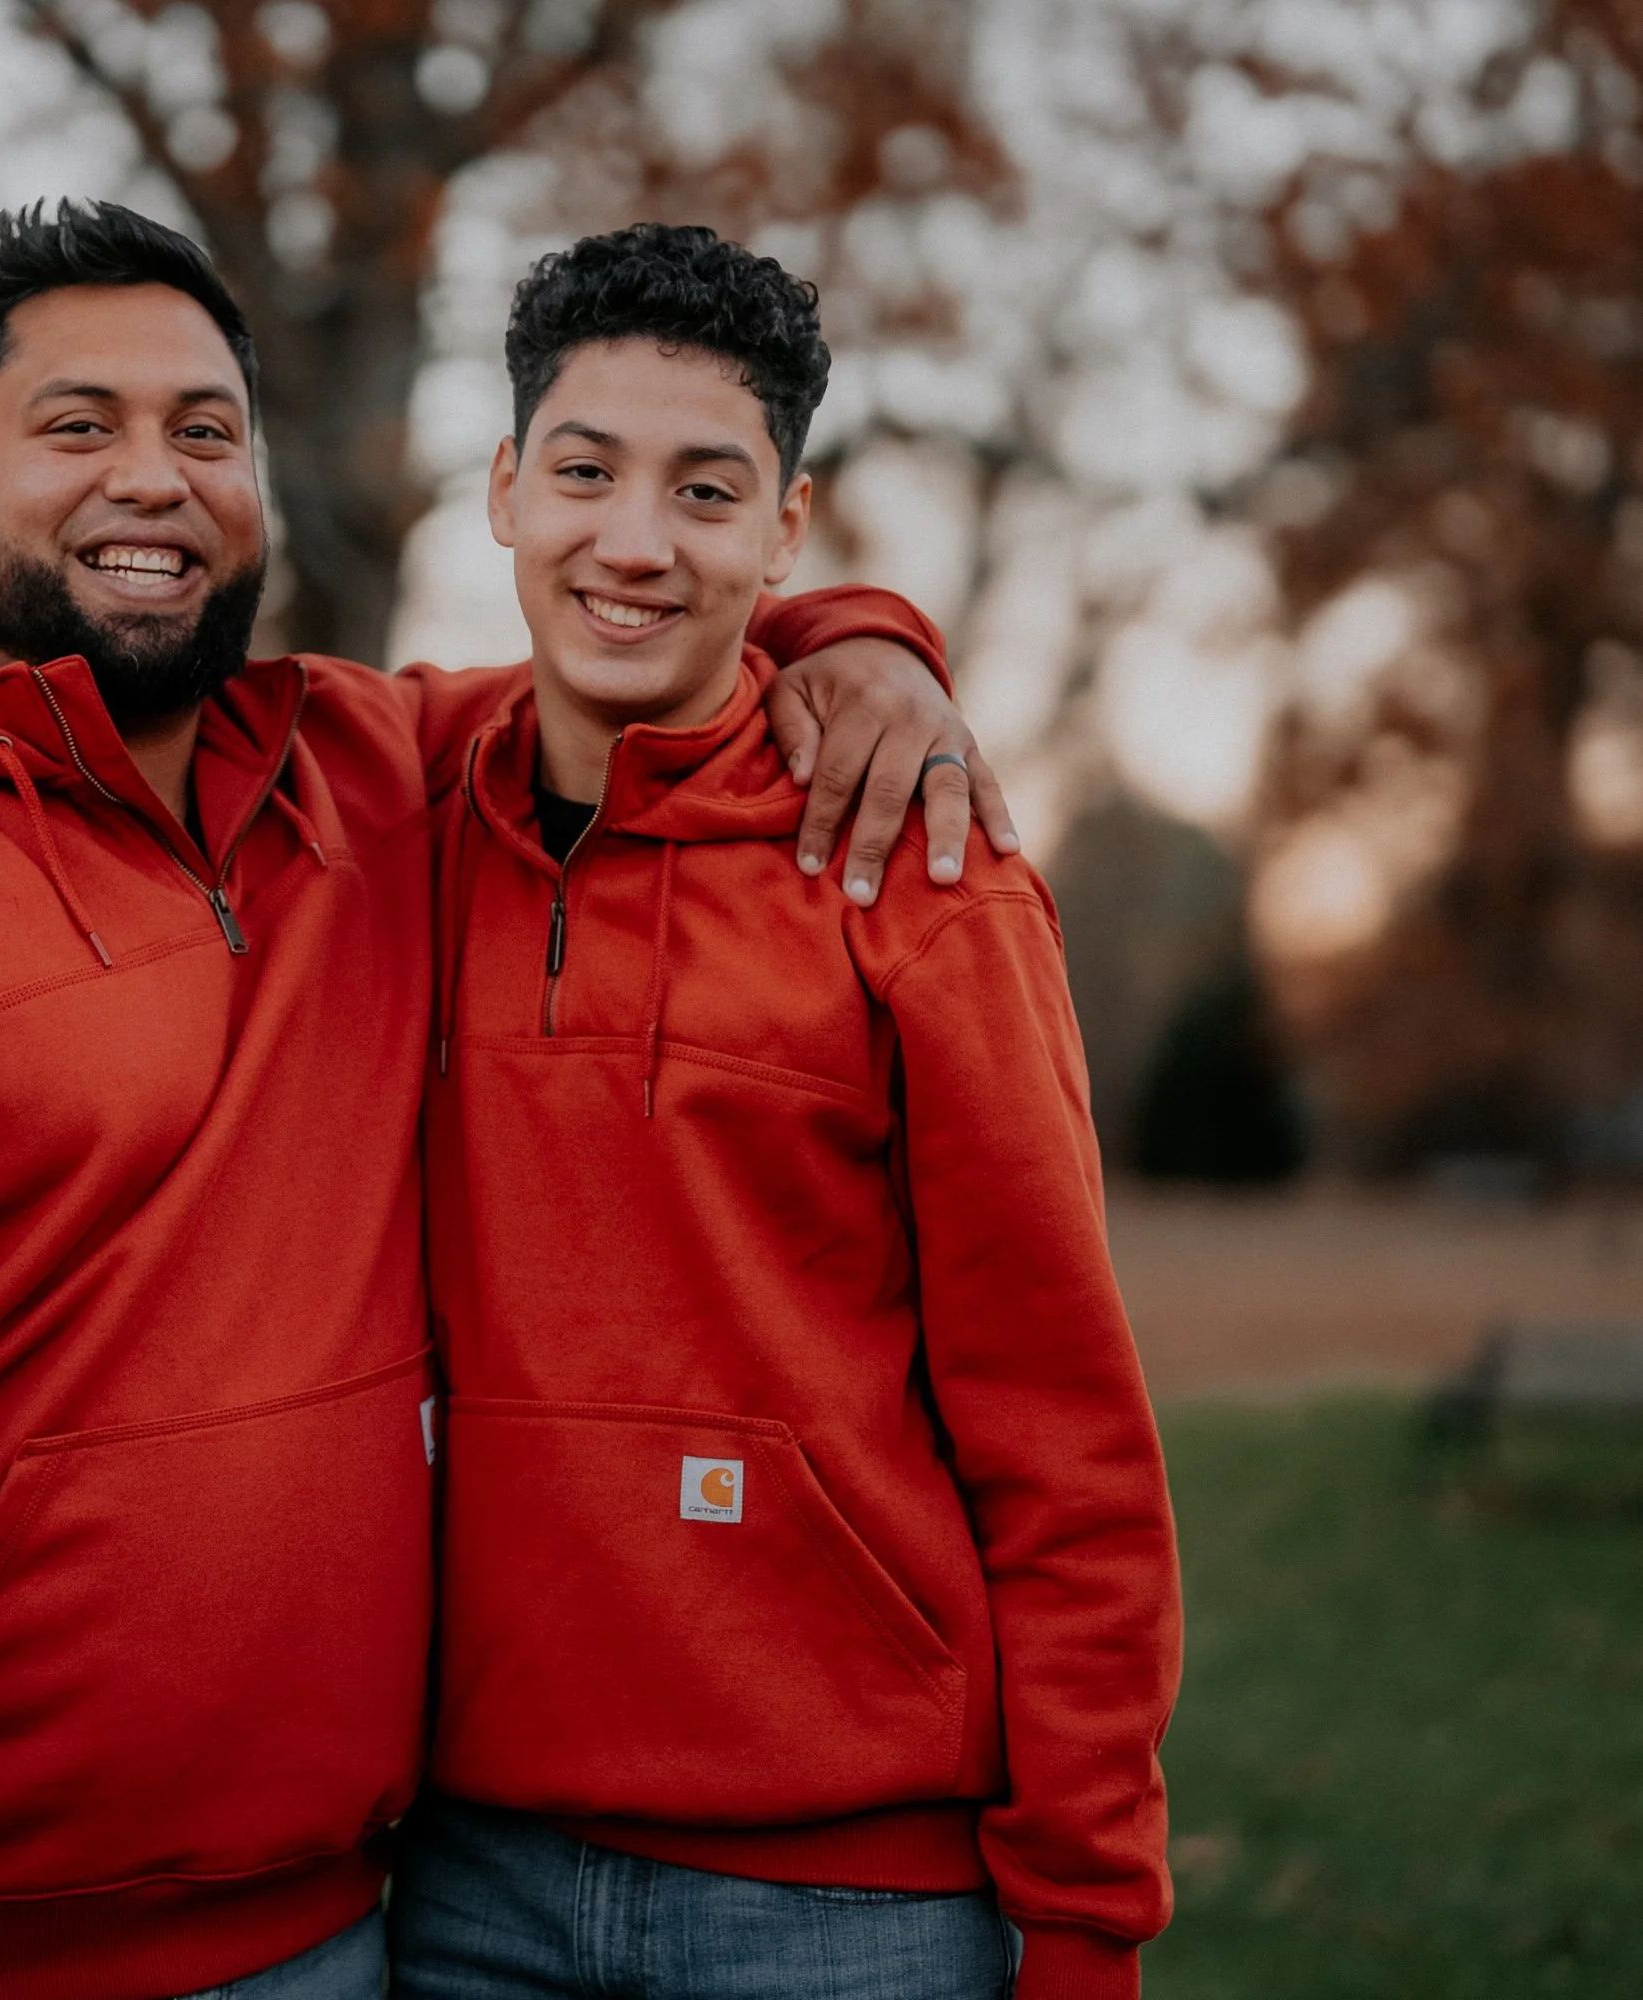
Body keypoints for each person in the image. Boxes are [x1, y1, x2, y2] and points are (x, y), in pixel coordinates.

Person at [0, 201, 991, 2000]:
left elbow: (641, 621)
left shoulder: (376, 779)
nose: (155, 478)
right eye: (79, 427)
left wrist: (860, 640)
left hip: (352, 1931)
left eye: (205, 431)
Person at [398, 225, 1179, 2000]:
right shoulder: (390, 810)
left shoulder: (926, 878)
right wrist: (872, 639)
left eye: (707, 489)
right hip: (463, 1887)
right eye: (584, 473)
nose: (636, 541)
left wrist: (1085, 1923)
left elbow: (1063, 1434)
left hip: (851, 1912)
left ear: (787, 528)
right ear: (505, 490)